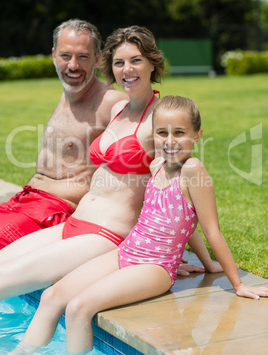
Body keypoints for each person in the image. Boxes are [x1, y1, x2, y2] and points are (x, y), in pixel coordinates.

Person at [9, 95, 268, 355]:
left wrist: (238, 284)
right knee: (51, 297)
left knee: (78, 308)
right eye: (161, 133)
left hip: (155, 266)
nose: (169, 141)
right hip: (126, 252)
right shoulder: (156, 165)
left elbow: (212, 230)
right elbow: (186, 224)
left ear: (198, 134)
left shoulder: (193, 169)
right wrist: (208, 264)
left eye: (179, 133)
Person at [0, 26, 217, 302]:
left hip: (106, 234)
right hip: (75, 222)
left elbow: (176, 197)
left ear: (153, 63)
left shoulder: (160, 120)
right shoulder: (117, 110)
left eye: (136, 60)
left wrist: (182, 257)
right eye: (119, 62)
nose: (127, 69)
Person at [0, 19, 126, 249]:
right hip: (26, 202)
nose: (73, 65)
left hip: (56, 212)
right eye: (65, 55)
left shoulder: (112, 101)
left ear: (98, 59)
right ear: (53, 55)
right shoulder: (68, 94)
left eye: (83, 57)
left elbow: (146, 170)